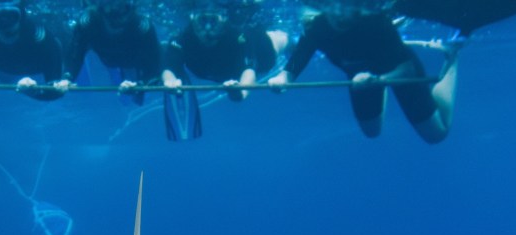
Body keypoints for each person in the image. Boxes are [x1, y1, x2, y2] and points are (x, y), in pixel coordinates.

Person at [268, 5, 458, 144]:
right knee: (371, 132)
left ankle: (451, 59)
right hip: (364, 78)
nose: (340, 14)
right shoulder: (316, 28)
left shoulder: (375, 23)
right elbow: (291, 68)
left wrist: (379, 80)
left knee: (436, 135)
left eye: (346, 6)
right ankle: (378, 80)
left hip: (397, 68)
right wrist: (281, 80)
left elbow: (407, 69)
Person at [162, 0, 287, 102]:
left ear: (223, 21)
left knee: (281, 39)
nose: (207, 27)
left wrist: (241, 92)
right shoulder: (183, 38)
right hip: (218, 71)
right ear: (193, 20)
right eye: (202, 20)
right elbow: (169, 67)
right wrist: (169, 80)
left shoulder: (238, 37)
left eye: (213, 21)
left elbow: (249, 70)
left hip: (263, 56)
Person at [54, 0, 161, 105]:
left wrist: (139, 84)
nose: (117, 11)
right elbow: (75, 54)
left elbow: (154, 68)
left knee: (134, 97)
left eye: (121, 6)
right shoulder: (88, 22)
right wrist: (67, 78)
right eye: (111, 5)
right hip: (108, 59)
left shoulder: (142, 26)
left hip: (129, 61)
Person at [0, 0, 64, 104]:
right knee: (4, 78)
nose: (5, 23)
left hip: (13, 67)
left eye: (11, 16)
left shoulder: (39, 33)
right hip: (4, 70)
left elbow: (56, 87)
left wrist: (34, 92)